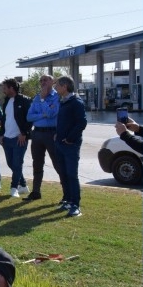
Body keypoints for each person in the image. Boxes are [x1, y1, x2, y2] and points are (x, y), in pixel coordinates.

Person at [23, 74, 63, 201]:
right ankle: (36, 192)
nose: (43, 82)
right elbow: (29, 117)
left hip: (51, 134)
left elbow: (51, 114)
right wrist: (43, 113)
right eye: (41, 80)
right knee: (37, 163)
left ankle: (67, 193)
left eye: (45, 80)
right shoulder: (36, 98)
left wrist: (43, 101)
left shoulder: (57, 97)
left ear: (52, 81)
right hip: (37, 134)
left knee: (57, 163)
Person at [54, 75, 88, 218]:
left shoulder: (76, 102)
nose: (56, 88)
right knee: (64, 173)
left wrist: (69, 138)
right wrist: (58, 135)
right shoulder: (63, 101)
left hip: (71, 145)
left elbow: (82, 123)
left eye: (58, 86)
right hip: (60, 144)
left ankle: (76, 205)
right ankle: (68, 199)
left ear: (65, 86)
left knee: (72, 175)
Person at [0, 78, 32, 198]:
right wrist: (1, 134)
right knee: (10, 163)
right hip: (7, 138)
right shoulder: (7, 101)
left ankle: (14, 188)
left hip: (20, 139)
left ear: (11, 88)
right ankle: (23, 185)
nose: (3, 90)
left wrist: (24, 134)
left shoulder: (25, 100)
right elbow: (4, 119)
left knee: (17, 164)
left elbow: (30, 120)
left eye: (5, 88)